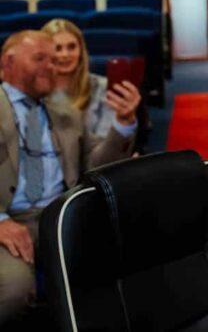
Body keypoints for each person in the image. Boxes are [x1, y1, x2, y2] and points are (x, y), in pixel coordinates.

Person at [0, 31, 137, 323]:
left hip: (62, 215)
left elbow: (96, 165)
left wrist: (123, 124)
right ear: (7, 61)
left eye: (52, 59)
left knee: (131, 268)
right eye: (40, 58)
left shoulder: (67, 114)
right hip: (10, 220)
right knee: (14, 293)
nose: (52, 65)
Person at [41, 18, 142, 139]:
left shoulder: (103, 87)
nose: (65, 54)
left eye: (72, 47)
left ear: (81, 50)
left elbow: (107, 142)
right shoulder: (32, 92)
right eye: (57, 48)